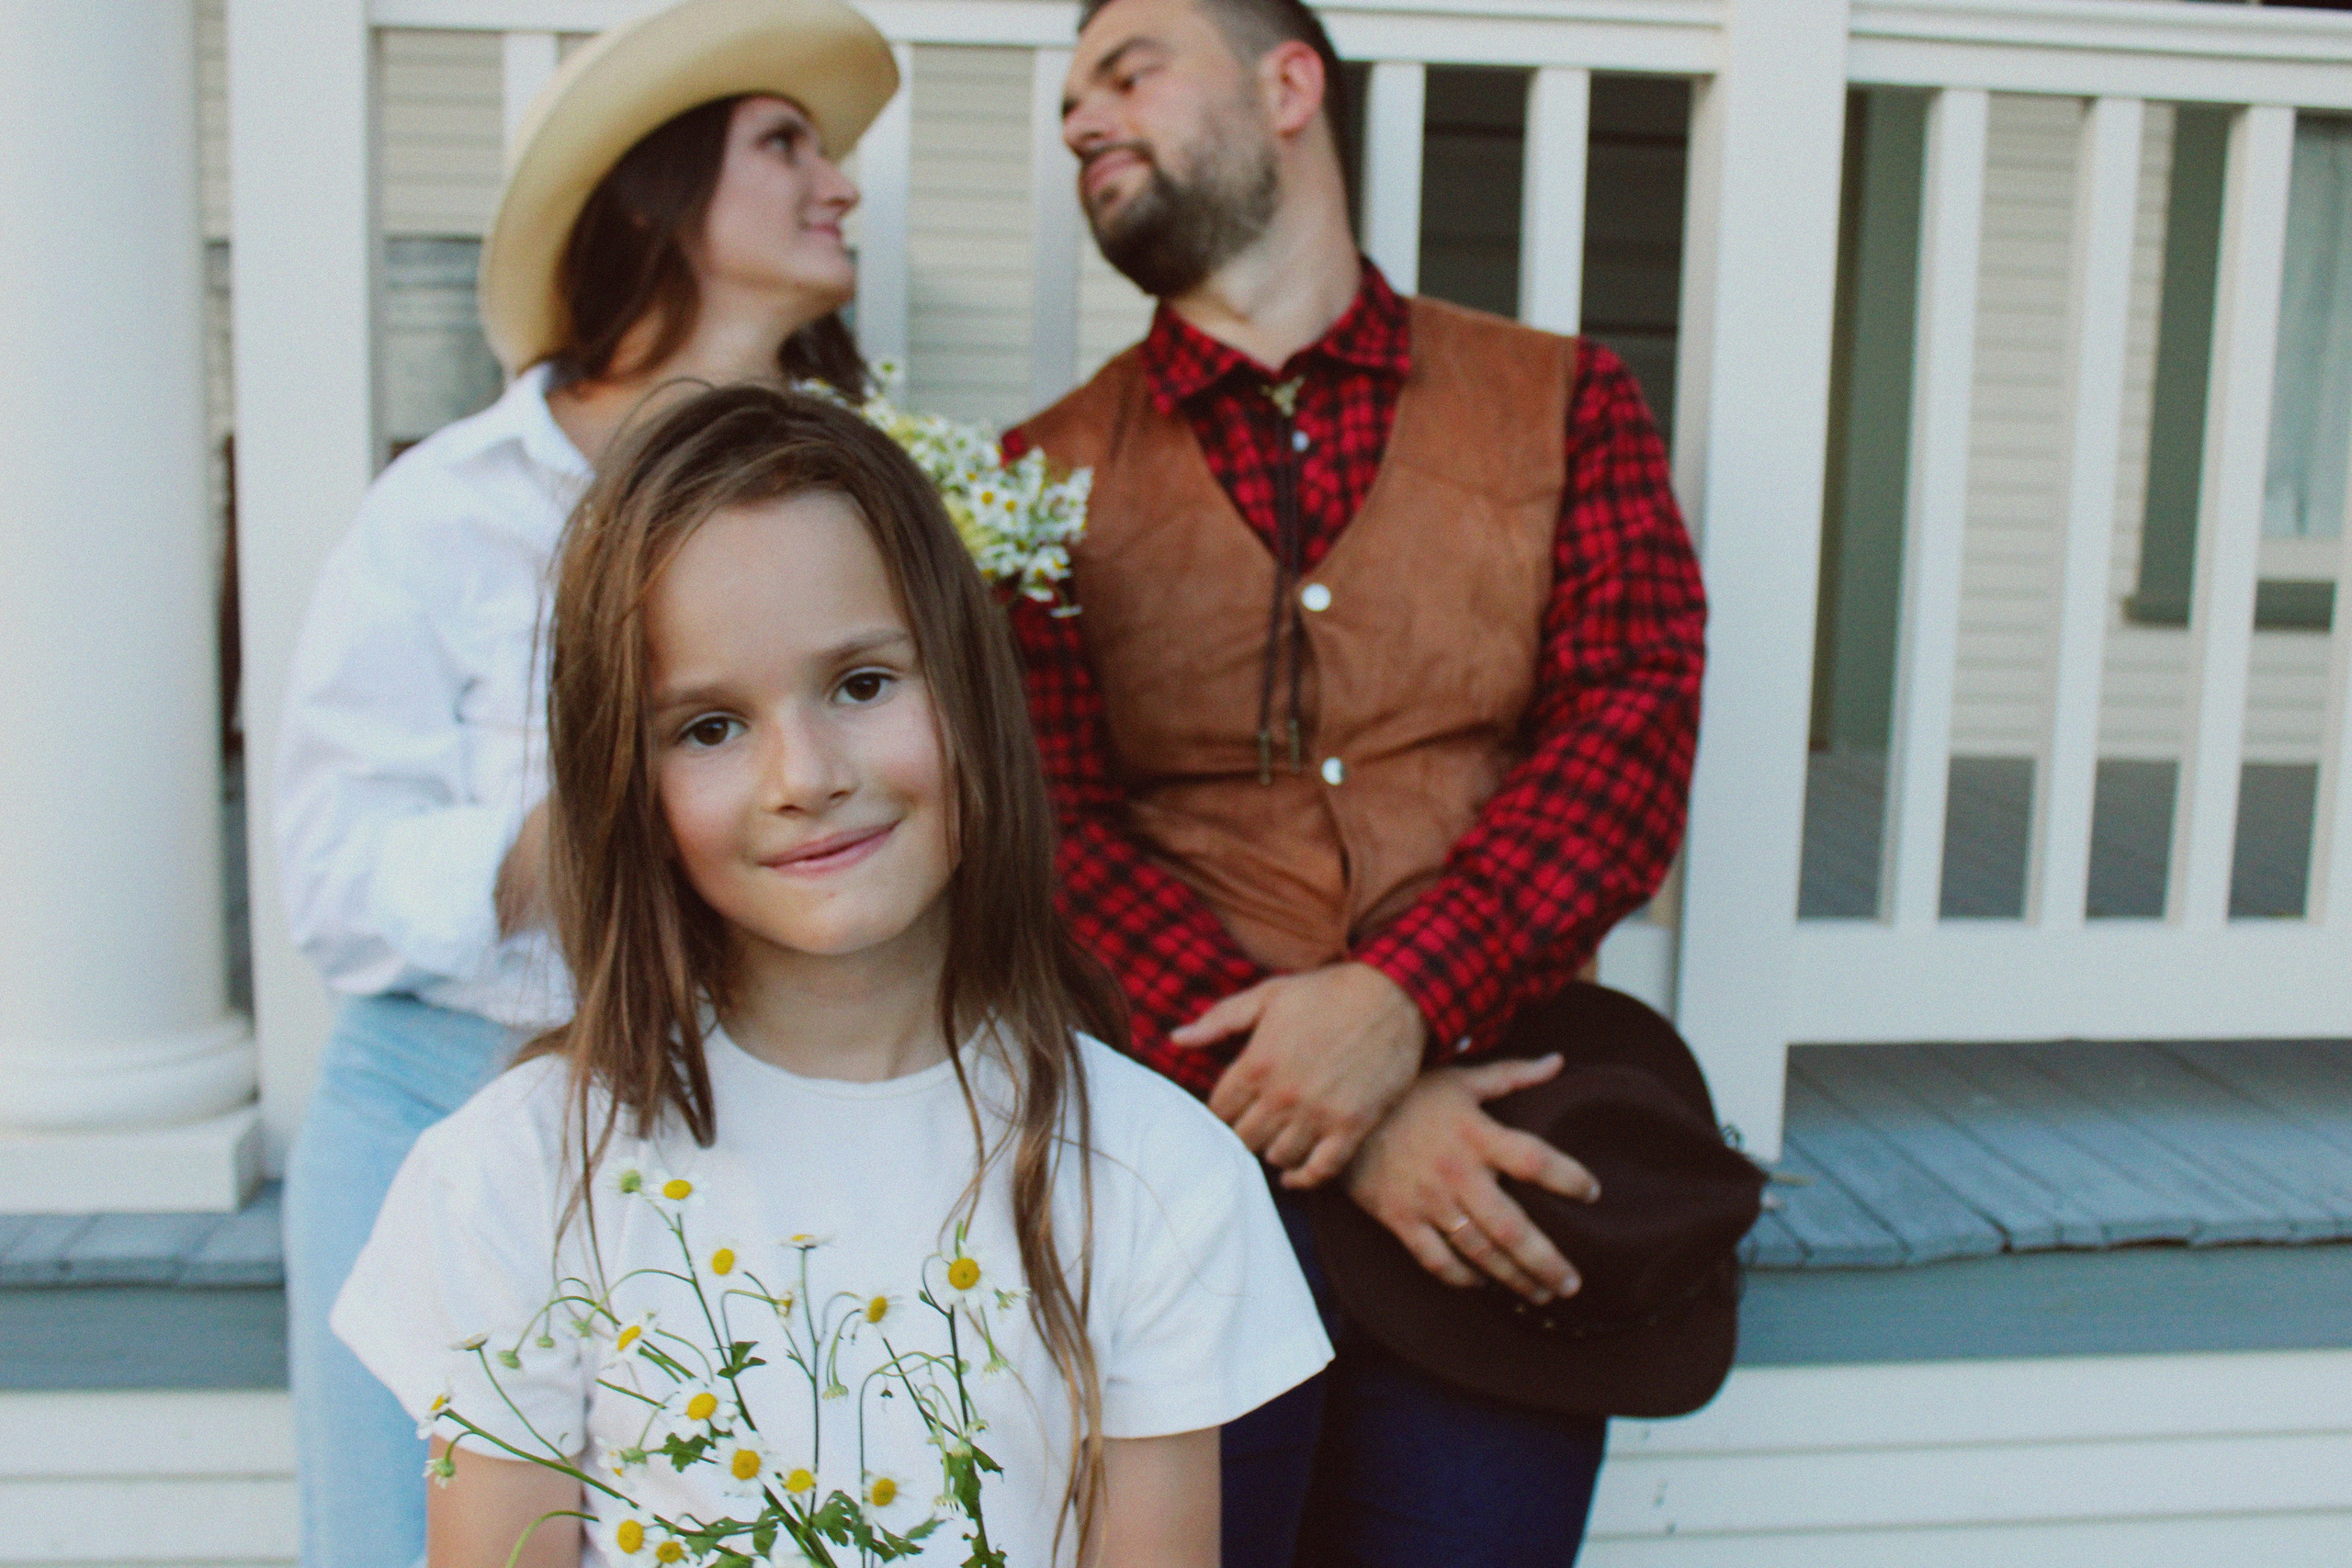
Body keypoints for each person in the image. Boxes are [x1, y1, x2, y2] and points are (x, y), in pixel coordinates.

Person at [330, 385, 1331, 1568]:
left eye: (862, 684)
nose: (804, 774)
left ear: (970, 692)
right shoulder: (511, 1180)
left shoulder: (1157, 1176)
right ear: (628, 788)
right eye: (708, 726)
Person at [1006, 1, 1710, 1563]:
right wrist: (1311, 1093)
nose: (1079, 122)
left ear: (1288, 86)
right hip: (1173, 1189)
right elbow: (1037, 826)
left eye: (1126, 73)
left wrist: (1398, 1003)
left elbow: (1629, 732)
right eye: (1068, 102)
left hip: (1492, 1178)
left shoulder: (1564, 400)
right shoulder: (1030, 476)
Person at [274, 4, 899, 1562]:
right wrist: (589, 828)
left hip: (724, 1124)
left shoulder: (856, 497)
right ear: (654, 193)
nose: (844, 185)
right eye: (786, 144)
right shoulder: (450, 510)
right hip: (444, 1102)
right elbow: (332, 879)